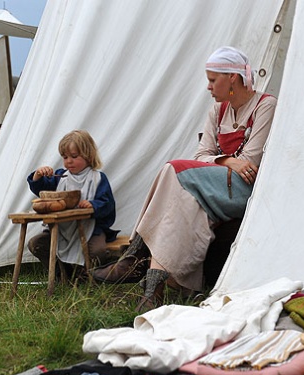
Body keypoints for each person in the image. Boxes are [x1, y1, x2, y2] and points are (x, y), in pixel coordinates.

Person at [92, 46, 277, 312]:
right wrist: (226, 160)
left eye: (213, 80)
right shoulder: (217, 111)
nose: (208, 87)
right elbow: (202, 154)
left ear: (233, 78)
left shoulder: (265, 105)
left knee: (172, 169)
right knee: (182, 202)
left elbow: (250, 162)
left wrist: (226, 161)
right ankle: (152, 293)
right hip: (213, 188)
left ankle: (134, 257)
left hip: (244, 191)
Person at [27, 130, 118, 274]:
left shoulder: (98, 179)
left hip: (91, 229)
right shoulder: (60, 177)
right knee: (36, 244)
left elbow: (107, 204)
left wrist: (93, 205)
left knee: (97, 251)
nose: (69, 161)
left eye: (74, 156)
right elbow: (41, 188)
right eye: (65, 157)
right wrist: (38, 175)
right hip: (62, 230)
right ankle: (64, 273)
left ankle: (90, 274)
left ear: (88, 155)